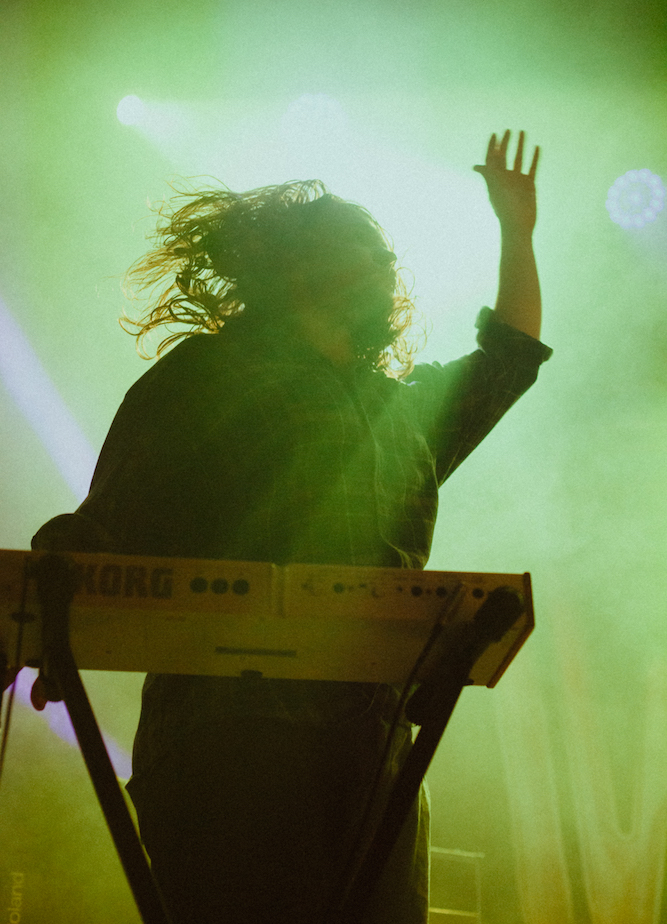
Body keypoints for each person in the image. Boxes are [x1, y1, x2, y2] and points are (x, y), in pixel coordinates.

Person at [19, 130, 551, 923]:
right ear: (291, 266)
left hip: (370, 742)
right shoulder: (207, 373)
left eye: (379, 254)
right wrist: (41, 621)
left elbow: (509, 358)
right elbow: (110, 518)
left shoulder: (399, 410)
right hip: (227, 731)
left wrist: (516, 232)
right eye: (352, 251)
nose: (377, 266)